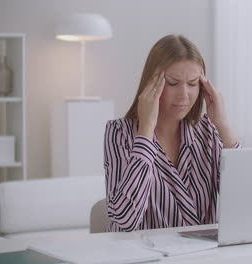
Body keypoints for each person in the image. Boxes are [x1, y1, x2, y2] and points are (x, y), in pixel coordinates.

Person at [103, 34, 240, 232]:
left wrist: (223, 125)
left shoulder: (207, 132)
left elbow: (247, 202)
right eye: (173, 83)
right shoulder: (119, 133)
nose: (184, 94)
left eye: (193, 83)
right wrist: (146, 131)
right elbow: (125, 219)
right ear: (151, 83)